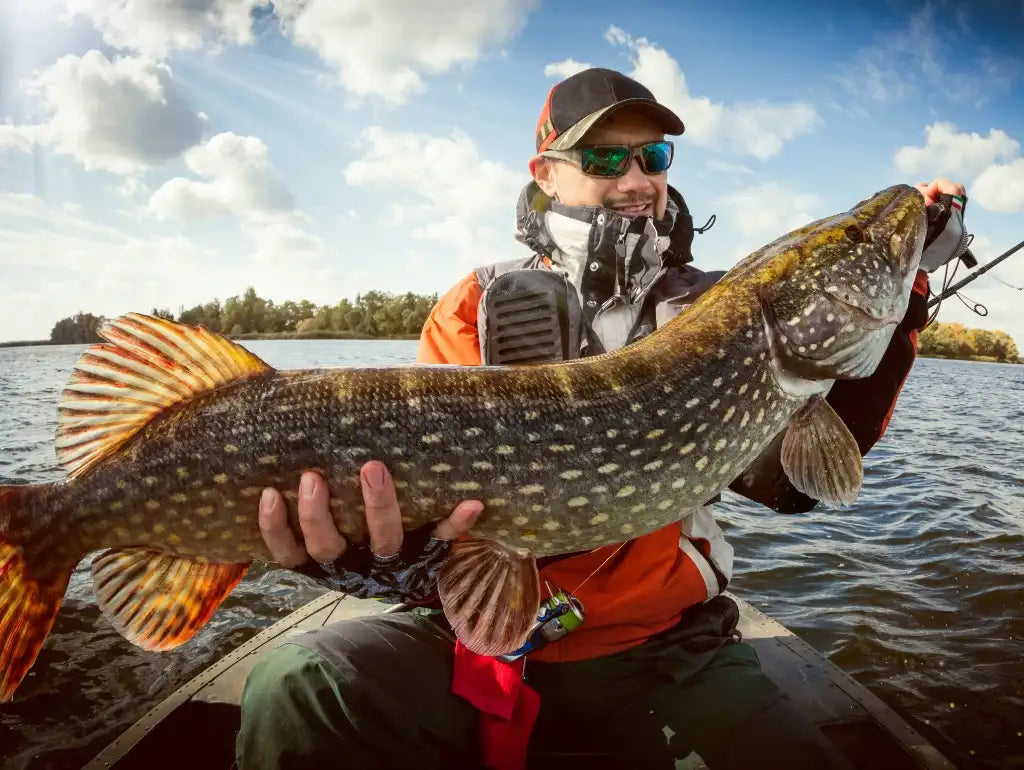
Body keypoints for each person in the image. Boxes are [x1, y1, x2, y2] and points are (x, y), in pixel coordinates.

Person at [235, 68, 969, 770]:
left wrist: (909, 292)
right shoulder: (475, 303)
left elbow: (794, 487)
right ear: (546, 173)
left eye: (652, 155)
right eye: (603, 156)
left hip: (664, 653)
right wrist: (380, 562)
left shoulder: (709, 307)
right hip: (475, 643)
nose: (636, 177)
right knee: (300, 687)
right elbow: (431, 508)